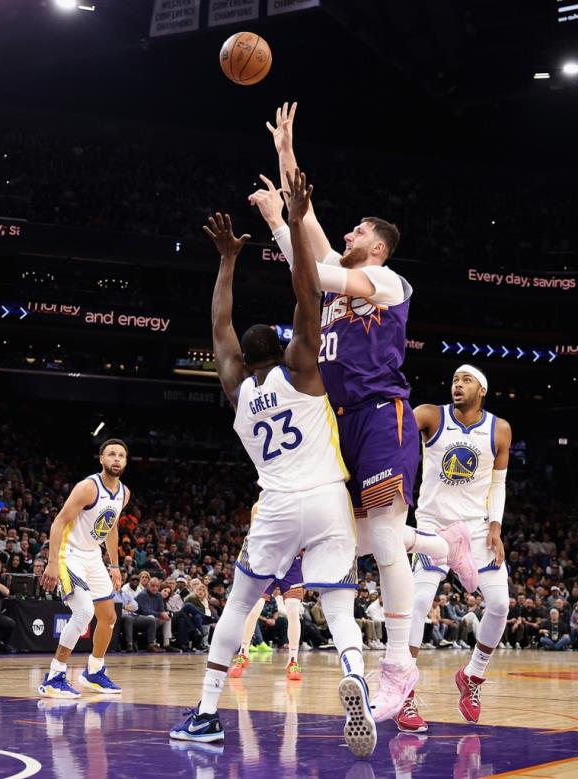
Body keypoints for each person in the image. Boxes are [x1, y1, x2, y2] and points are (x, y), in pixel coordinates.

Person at [249, 101, 477, 721]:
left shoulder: (388, 281)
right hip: (336, 422)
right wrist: (285, 159)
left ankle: (398, 667)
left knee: (380, 540)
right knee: (348, 539)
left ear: (377, 247)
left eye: (356, 233)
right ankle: (440, 542)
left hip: (381, 413)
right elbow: (310, 229)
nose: (346, 236)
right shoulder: (337, 270)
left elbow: (310, 266)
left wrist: (283, 223)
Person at [170, 170, 376, 759]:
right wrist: (295, 222)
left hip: (278, 504)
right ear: (281, 347)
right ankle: (354, 674)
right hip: (329, 497)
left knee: (239, 604)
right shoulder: (303, 369)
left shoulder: (237, 390)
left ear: (244, 356)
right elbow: (309, 293)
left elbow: (219, 324)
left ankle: (207, 714)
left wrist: (227, 260)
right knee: (337, 603)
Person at [398, 365, 512, 731]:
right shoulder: (431, 415)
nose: (457, 385)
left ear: (482, 390)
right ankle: (404, 692)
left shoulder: (499, 429)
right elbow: (397, 426)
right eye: (454, 380)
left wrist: (495, 527)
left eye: (466, 380)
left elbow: (498, 484)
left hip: (476, 528)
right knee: (418, 602)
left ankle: (472, 676)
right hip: (433, 526)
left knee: (500, 604)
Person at [38, 439, 131, 697]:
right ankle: (54, 677)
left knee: (109, 617)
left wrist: (114, 564)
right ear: (101, 458)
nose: (116, 459)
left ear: (125, 462)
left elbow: (111, 527)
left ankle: (94, 672)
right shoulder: (88, 487)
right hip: (70, 554)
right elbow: (59, 522)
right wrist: (52, 562)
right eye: (111, 454)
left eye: (121, 455)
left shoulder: (124, 493)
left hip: (93, 556)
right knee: (84, 612)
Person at [229, 508, 304, 680]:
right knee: (254, 608)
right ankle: (243, 653)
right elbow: (256, 535)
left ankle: (293, 661)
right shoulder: (261, 505)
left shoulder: (301, 506)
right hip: (267, 562)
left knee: (293, 611)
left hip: (292, 566)